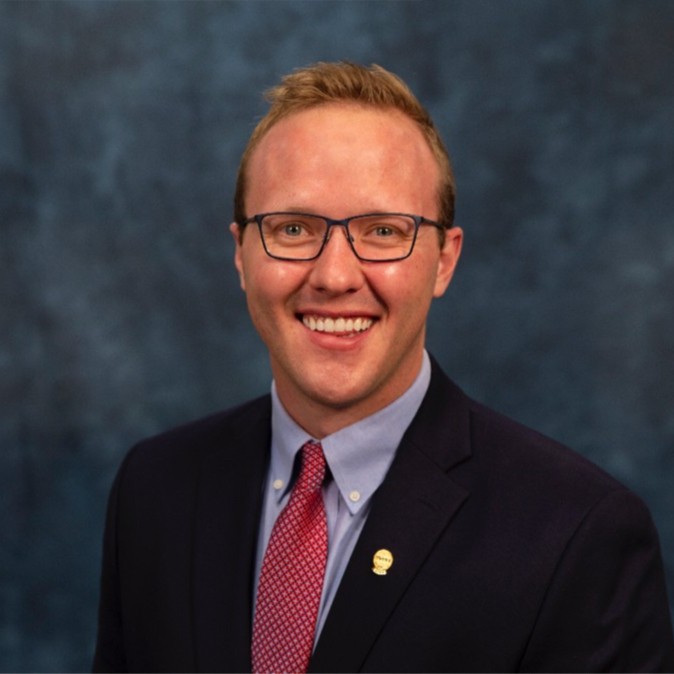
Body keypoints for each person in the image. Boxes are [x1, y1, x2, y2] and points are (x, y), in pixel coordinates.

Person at [93, 61, 674, 673]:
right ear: (241, 254)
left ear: (443, 261)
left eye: (382, 231)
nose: (335, 276)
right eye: (293, 228)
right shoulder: (155, 489)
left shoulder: (577, 535)